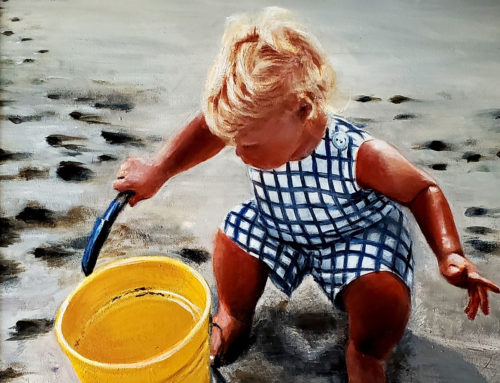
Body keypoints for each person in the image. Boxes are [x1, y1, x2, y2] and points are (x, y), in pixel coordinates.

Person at [113, 7, 499, 382]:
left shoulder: (359, 153)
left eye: (248, 144)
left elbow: (422, 190)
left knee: (381, 293)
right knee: (234, 237)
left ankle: (366, 355)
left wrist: (450, 253)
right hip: (279, 223)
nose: (238, 152)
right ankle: (233, 315)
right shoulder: (257, 121)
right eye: (234, 141)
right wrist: (158, 171)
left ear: (302, 109)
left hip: (354, 238)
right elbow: (209, 130)